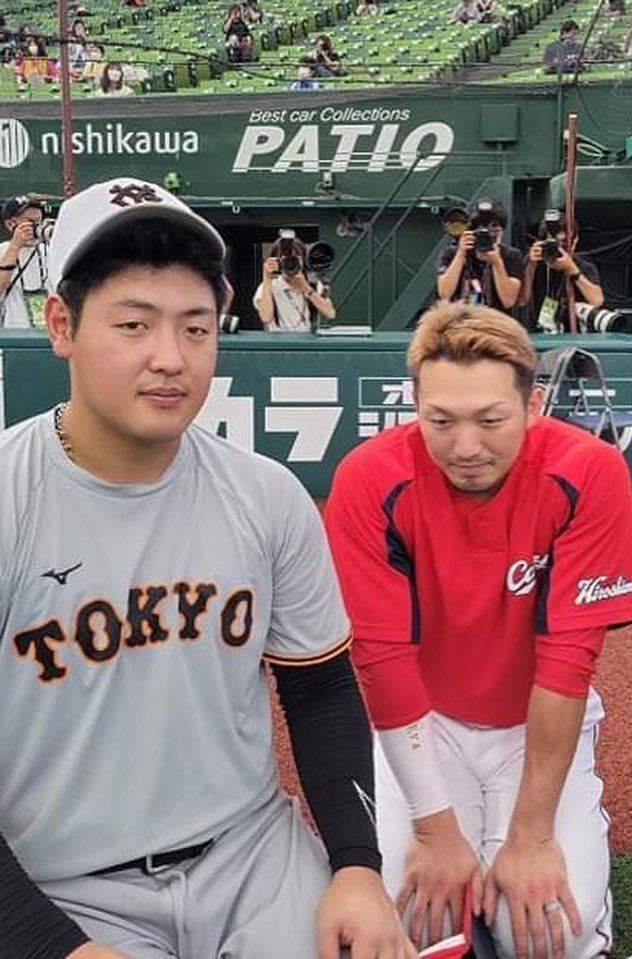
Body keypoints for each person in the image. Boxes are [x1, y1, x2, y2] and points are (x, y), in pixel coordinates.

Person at [0, 176, 412, 959]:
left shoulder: (266, 495)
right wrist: (54, 945)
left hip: (250, 855)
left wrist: (357, 866)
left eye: (195, 327)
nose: (170, 358)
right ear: (60, 325)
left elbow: (320, 691)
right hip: (63, 883)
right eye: (133, 324)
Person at [324, 301, 632, 959]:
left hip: (534, 721)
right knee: (407, 921)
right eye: (440, 420)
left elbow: (567, 660)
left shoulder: (587, 469)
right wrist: (434, 831)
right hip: (425, 721)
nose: (466, 446)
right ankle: (461, 848)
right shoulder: (369, 476)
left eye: (491, 420)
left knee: (548, 936)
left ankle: (554, 844)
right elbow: (381, 660)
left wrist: (532, 836)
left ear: (533, 405)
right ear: (414, 404)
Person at [435, 197, 525, 313]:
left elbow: (508, 301)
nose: (487, 233)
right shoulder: (452, 253)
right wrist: (461, 254)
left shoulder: (511, 255)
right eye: (479, 228)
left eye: (494, 226)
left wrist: (497, 263)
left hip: (494, 320)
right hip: (459, 319)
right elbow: (444, 294)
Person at [520, 212, 603, 334]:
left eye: (564, 244)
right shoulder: (533, 262)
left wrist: (572, 270)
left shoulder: (583, 266)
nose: (558, 249)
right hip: (537, 332)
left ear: (575, 241)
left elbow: (597, 300)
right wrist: (531, 266)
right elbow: (522, 300)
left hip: (573, 333)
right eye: (553, 244)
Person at [254, 234, 336, 331]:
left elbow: (330, 313)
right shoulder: (268, 287)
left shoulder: (313, 285)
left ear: (303, 260)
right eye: (286, 260)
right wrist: (266, 276)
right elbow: (266, 318)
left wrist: (306, 288)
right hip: (279, 339)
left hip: (308, 339)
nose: (291, 263)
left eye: (295, 259)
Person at [0, 194, 49, 329]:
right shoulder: (3, 250)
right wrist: (15, 246)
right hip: (14, 333)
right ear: (10, 224)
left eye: (39, 221)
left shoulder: (50, 251)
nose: (35, 226)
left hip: (48, 332)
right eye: (30, 221)